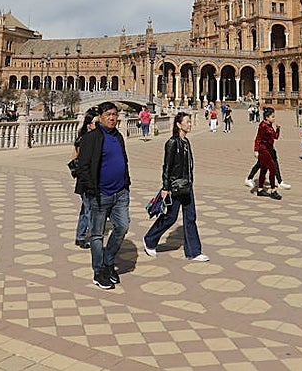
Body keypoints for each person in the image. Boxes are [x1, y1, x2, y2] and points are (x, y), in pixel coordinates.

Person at [76, 101, 131, 290]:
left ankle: (108, 262)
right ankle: (99, 272)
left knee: (122, 226)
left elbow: (123, 159)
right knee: (97, 235)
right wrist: (91, 190)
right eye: (108, 114)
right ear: (100, 117)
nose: (112, 118)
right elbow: (82, 166)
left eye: (114, 114)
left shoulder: (118, 136)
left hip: (120, 193)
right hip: (99, 194)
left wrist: (126, 183)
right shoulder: (91, 138)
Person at [144, 111, 207, 261]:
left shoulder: (186, 142)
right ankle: (149, 240)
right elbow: (166, 167)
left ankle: (194, 252)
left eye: (190, 122)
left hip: (187, 186)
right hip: (174, 187)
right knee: (170, 217)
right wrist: (165, 188)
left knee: (190, 217)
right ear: (179, 125)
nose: (190, 124)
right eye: (187, 122)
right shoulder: (172, 143)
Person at [71, 109, 100, 248]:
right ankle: (95, 239)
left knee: (85, 209)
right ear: (89, 124)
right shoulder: (84, 139)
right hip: (85, 179)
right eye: (96, 123)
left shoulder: (96, 137)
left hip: (91, 178)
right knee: (91, 210)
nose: (98, 125)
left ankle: (80, 236)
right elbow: (75, 158)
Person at [252, 107, 282, 199]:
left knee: (264, 170)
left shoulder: (270, 126)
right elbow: (258, 138)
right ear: (267, 117)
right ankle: (273, 190)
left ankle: (260, 189)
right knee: (272, 169)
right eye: (272, 117)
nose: (274, 118)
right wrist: (256, 150)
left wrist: (278, 129)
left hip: (269, 150)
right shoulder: (263, 126)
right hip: (263, 150)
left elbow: (275, 137)